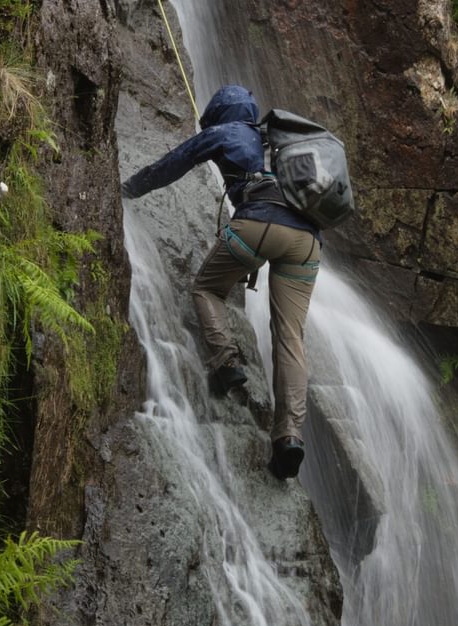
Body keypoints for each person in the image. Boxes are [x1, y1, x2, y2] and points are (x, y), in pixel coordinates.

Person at [121, 85, 320, 480]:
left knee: (207, 289)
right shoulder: (281, 143)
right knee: (290, 337)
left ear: (219, 113)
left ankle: (226, 361)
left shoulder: (225, 132)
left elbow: (171, 165)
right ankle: (289, 437)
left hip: (259, 224)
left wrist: (128, 190)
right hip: (308, 242)